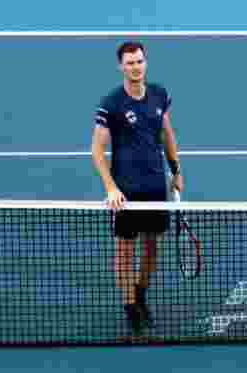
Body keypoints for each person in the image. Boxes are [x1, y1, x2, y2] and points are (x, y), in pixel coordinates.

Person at [92, 41, 184, 335]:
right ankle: (130, 306)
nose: (136, 67)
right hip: (126, 192)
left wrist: (176, 170)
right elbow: (96, 150)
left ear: (146, 63)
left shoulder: (159, 95)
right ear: (121, 66)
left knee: (152, 247)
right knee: (123, 251)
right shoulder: (111, 104)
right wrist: (110, 188)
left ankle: (141, 293)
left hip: (156, 186)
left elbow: (167, 133)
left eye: (140, 61)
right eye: (130, 63)